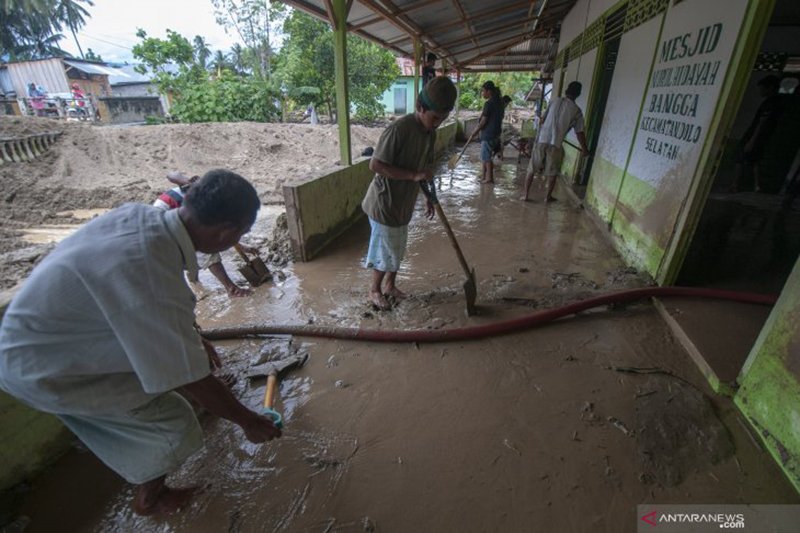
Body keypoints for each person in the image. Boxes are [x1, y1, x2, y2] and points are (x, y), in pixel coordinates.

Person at [0, 170, 281, 516]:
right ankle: (151, 497)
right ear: (226, 232)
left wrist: (191, 339)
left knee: (176, 375)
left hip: (43, 337)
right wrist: (249, 421)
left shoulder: (143, 216)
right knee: (172, 420)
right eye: (241, 233)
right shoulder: (150, 273)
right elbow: (186, 372)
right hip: (44, 366)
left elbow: (150, 304)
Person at [361, 76, 457, 311]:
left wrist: (428, 197)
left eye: (442, 119)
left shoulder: (430, 133)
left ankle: (390, 286)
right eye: (435, 118)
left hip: (404, 204)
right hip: (384, 202)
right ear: (420, 107)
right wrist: (413, 176)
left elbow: (423, 170)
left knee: (398, 248)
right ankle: (374, 290)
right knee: (385, 251)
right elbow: (375, 165)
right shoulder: (399, 130)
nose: (437, 124)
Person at [154, 171, 258, 298]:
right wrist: (187, 181)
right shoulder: (204, 202)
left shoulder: (209, 196)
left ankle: (193, 278)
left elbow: (224, 229)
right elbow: (171, 174)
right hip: (164, 222)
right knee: (208, 252)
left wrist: (241, 246)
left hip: (175, 221)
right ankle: (232, 289)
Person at [521, 81, 589, 203]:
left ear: (566, 90)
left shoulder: (554, 101)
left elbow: (543, 119)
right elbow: (580, 132)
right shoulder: (577, 111)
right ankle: (547, 198)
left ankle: (525, 195)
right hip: (555, 143)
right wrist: (585, 149)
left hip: (542, 139)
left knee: (532, 168)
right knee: (552, 172)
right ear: (578, 94)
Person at [730, 75, 783, 193]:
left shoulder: (771, 104)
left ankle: (735, 185)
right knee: (755, 160)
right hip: (760, 137)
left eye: (762, 88)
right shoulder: (773, 102)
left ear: (770, 88)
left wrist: (751, 141)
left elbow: (761, 123)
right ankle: (757, 186)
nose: (760, 91)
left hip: (755, 136)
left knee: (740, 158)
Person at [474, 81, 504, 184]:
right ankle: (484, 176)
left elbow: (484, 121)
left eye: (483, 91)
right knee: (485, 156)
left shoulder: (489, 103)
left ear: (489, 91)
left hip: (488, 134)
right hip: (496, 134)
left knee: (486, 158)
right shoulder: (500, 102)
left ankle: (489, 178)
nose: (482, 93)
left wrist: (476, 130)